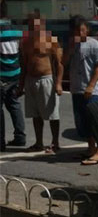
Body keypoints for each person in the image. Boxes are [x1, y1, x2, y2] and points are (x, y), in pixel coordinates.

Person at [66, 15, 98, 165]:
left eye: (82, 30)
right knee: (83, 122)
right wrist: (69, 49)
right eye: (76, 31)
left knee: (95, 121)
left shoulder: (95, 45)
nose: (79, 33)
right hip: (77, 89)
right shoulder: (73, 45)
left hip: (92, 91)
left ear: (87, 30)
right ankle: (90, 148)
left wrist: (91, 85)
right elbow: (64, 62)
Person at [19, 14, 63, 153]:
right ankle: (39, 142)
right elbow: (23, 64)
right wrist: (21, 86)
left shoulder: (51, 40)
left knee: (52, 114)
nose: (34, 28)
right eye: (31, 26)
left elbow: (59, 64)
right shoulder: (25, 42)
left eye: (36, 25)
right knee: (35, 113)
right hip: (31, 80)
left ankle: (55, 142)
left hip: (47, 79)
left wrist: (58, 83)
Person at [1, 19, 26, 150]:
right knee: (14, 104)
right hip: (16, 73)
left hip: (2, 74)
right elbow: (21, 52)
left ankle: (1, 141)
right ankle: (20, 137)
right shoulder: (17, 29)